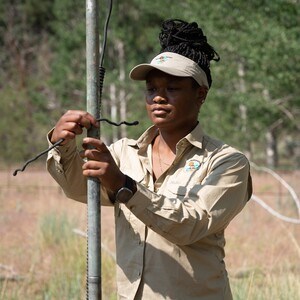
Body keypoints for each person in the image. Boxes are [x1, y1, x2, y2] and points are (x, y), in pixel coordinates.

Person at [47, 19, 252, 300]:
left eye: (172, 88)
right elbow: (77, 188)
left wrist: (124, 185)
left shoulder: (226, 162)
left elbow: (191, 224)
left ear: (200, 94)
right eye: (152, 88)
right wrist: (63, 144)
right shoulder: (123, 153)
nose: (158, 97)